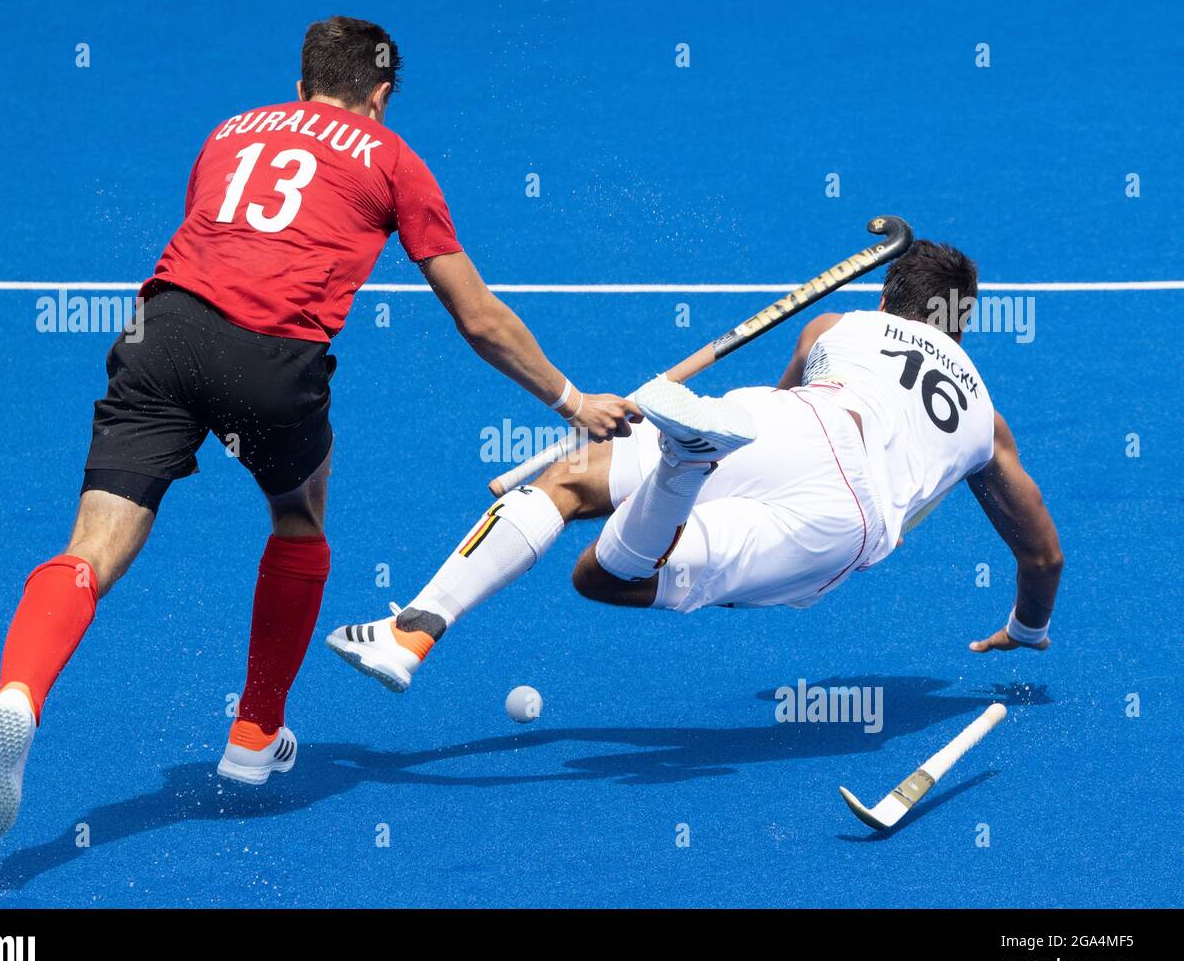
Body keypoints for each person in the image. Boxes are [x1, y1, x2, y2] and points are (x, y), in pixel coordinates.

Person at [0, 15, 636, 836]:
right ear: (380, 95)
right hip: (272, 361)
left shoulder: (228, 132)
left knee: (89, 550)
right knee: (299, 514)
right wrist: (574, 402)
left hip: (160, 330)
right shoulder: (393, 159)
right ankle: (254, 731)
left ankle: (21, 691)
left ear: (302, 81)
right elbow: (479, 317)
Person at [328, 241, 1064, 691]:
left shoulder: (838, 325)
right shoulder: (984, 420)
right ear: (961, 323)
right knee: (603, 577)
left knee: (565, 479)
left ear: (886, 296)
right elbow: (1042, 553)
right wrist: (1027, 631)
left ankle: (414, 629)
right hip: (849, 517)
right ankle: (685, 465)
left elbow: (772, 417)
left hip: (792, 422)